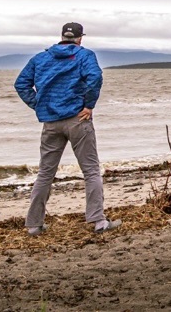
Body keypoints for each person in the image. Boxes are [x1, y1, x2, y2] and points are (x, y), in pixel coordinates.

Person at [14, 22, 120, 235]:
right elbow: (95, 77)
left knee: (45, 173)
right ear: (80, 38)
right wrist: (89, 105)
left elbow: (21, 84)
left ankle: (34, 225)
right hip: (77, 119)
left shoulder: (40, 58)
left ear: (62, 36)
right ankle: (98, 221)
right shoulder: (84, 55)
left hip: (50, 122)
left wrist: (39, 104)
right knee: (90, 170)